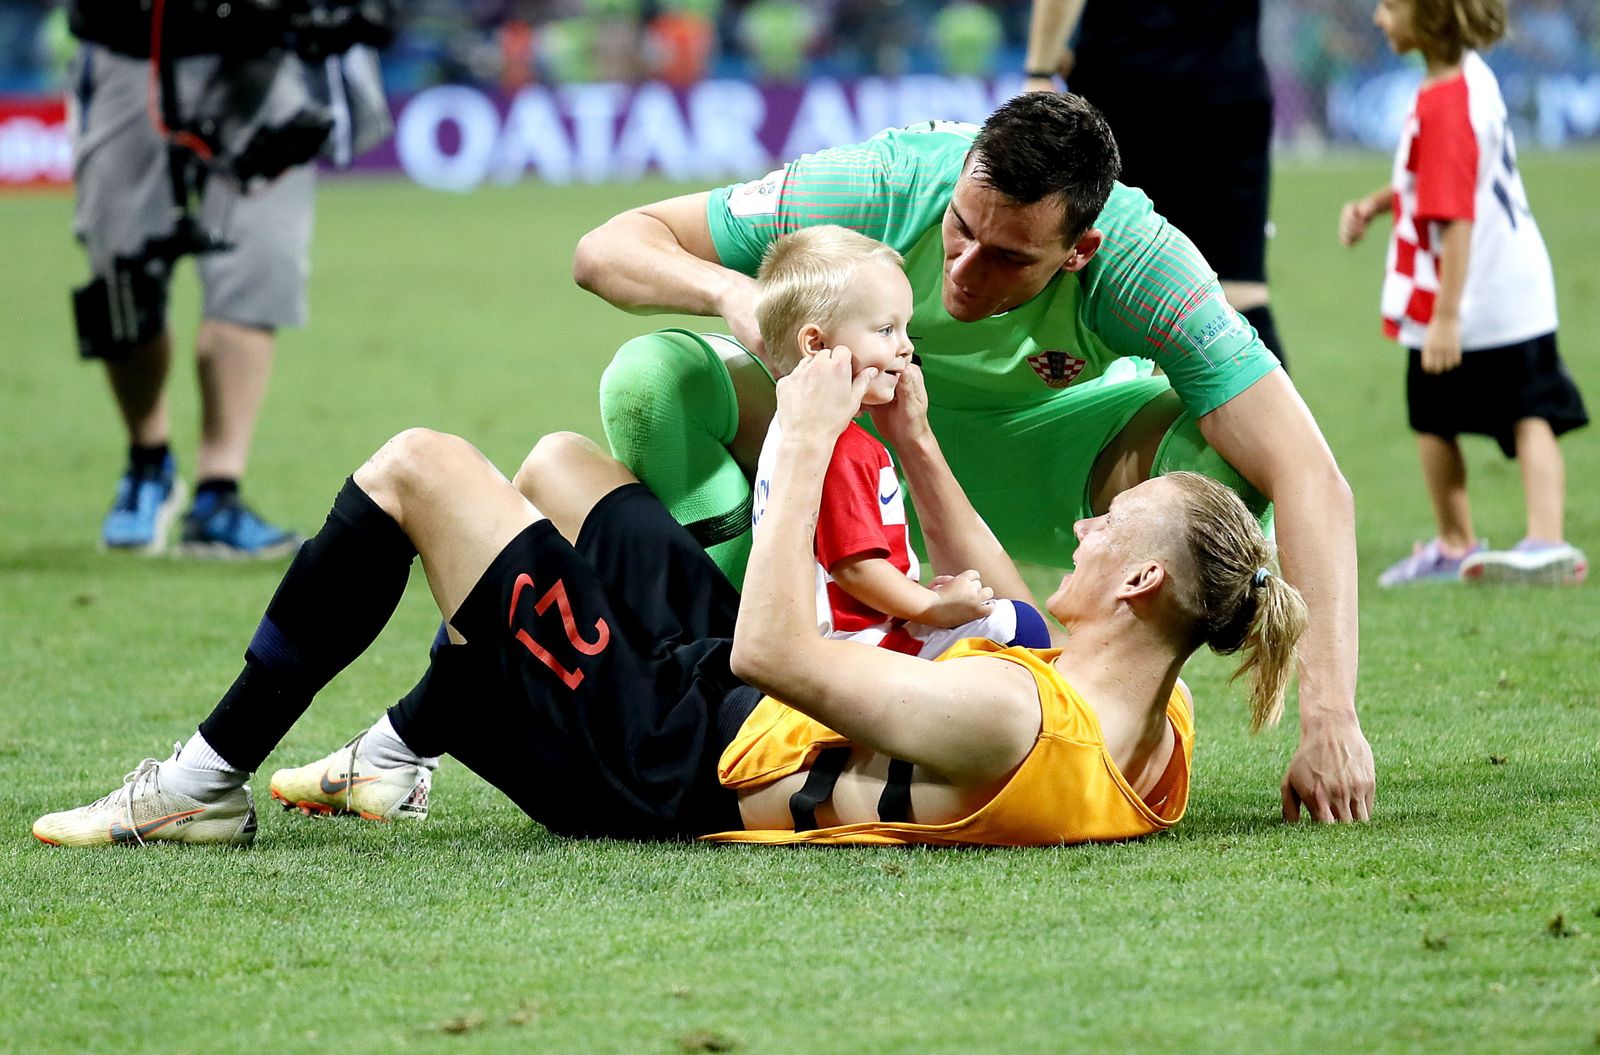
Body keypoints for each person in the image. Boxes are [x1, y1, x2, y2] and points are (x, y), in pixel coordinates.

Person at [31, 348, 1307, 849]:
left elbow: (775, 641)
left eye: (1109, 527)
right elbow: (1015, 613)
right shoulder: (1148, 726)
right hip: (728, 705)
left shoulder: (1005, 717)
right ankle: (400, 751)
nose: (1084, 527)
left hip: (667, 753)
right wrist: (915, 440)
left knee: (422, 466)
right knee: (560, 469)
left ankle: (195, 787)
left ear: (1140, 579)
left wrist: (802, 440)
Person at [569, 90, 1374, 823]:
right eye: (961, 228)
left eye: (1009, 257)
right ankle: (762, 658)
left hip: (1060, 461)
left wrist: (1330, 720)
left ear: (1079, 250)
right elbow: (608, 248)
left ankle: (1115, 690)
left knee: (1224, 475)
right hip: (861, 431)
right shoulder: (878, 185)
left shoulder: (1145, 265)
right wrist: (732, 294)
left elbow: (1311, 475)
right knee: (652, 383)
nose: (961, 269)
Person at [1339, 0, 1588, 587]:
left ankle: (1458, 543)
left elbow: (1454, 215)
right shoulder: (1467, 77)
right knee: (1530, 410)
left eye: (1390, 6)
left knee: (1433, 412)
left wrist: (1446, 317)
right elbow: (1435, 180)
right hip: (1518, 282)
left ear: (1430, 17)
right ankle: (1544, 539)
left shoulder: (1446, 101)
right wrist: (1378, 206)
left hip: (1475, 288)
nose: (1378, 18)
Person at [68, 0, 309, 557]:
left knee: (259, 269)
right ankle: (148, 460)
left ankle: (218, 495)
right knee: (120, 285)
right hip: (132, 49)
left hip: (264, 50)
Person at [750, 225, 1050, 657]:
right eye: (885, 330)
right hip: (859, 646)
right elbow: (856, 569)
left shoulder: (791, 431)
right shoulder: (840, 448)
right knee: (1019, 625)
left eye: (906, 330)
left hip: (850, 632)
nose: (906, 348)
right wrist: (933, 606)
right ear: (816, 344)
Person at [1021, 0, 1289, 370]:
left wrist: (1039, 70)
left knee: (1104, 281)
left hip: (1128, 89)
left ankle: (1110, 420)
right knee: (1237, 288)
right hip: (1231, 86)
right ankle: (1277, 428)